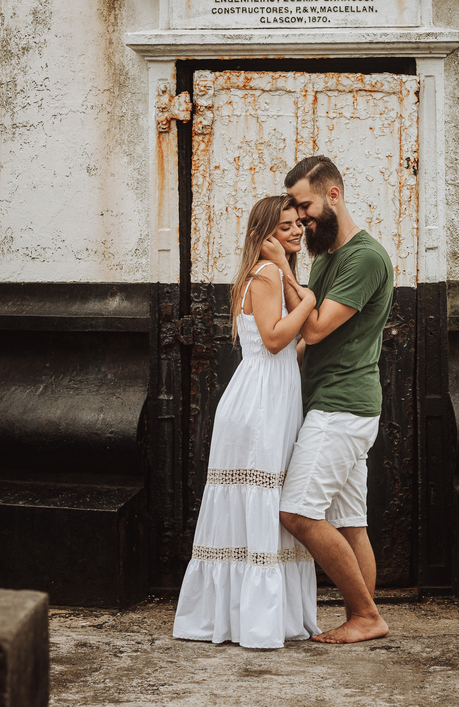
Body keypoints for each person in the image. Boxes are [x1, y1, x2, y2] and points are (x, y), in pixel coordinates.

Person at [173, 195, 320, 648]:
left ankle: (246, 615)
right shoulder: (269, 272)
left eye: (298, 224)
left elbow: (289, 347)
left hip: (266, 392)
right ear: (264, 236)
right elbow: (277, 339)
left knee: (263, 497)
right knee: (263, 496)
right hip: (259, 403)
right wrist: (309, 295)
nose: (295, 232)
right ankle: (256, 620)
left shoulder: (266, 273)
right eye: (284, 227)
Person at [264, 155, 394, 644]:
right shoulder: (325, 258)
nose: (301, 218)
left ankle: (365, 615)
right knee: (350, 524)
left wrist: (282, 266)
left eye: (306, 206)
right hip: (338, 404)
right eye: (295, 210)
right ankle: (366, 617)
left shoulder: (363, 257)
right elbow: (298, 335)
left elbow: (313, 327)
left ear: (333, 195)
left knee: (297, 514)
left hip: (342, 407)